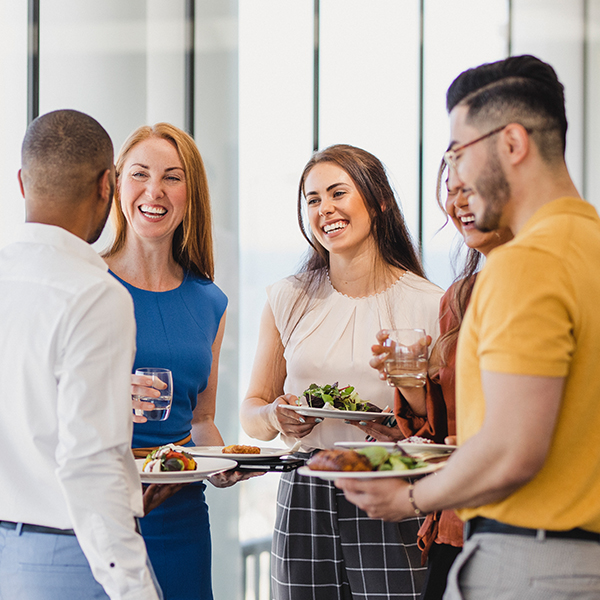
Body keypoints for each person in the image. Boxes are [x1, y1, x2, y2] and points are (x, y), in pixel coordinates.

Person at [336, 54, 600, 600]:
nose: (454, 176)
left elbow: (512, 450)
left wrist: (409, 499)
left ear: (512, 144)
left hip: (531, 562)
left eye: (458, 153)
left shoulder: (526, 263)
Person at [241, 144, 444, 600]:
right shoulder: (286, 298)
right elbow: (251, 412)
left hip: (389, 487)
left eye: (337, 193)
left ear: (378, 201)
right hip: (304, 491)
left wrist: (395, 415)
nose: (324, 209)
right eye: (313, 200)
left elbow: (445, 429)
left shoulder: (429, 303)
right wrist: (277, 415)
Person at [0, 109, 161, 599]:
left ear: (23, 182)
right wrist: (137, 590)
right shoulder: (94, 295)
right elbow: (89, 462)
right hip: (66, 560)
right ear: (107, 186)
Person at [103, 122, 244, 600]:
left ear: (191, 193)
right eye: (140, 174)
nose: (154, 191)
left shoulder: (210, 301)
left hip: (181, 514)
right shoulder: (86, 284)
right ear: (118, 184)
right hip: (101, 509)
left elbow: (201, 420)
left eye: (172, 177)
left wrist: (223, 461)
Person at [361, 160, 512, 600]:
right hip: (456, 522)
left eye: (470, 187)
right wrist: (405, 378)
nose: (457, 202)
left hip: (517, 523)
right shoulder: (458, 298)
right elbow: (439, 427)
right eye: (450, 188)